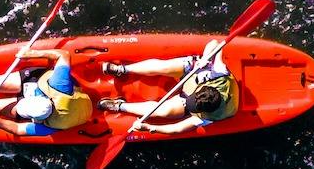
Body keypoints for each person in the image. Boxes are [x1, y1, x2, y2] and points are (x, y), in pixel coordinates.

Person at [99, 38, 239, 134]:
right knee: (163, 67)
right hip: (195, 71)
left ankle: (120, 106)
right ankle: (123, 70)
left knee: (163, 111)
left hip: (195, 85)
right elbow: (216, 43)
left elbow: (178, 129)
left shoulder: (211, 116)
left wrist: (150, 127)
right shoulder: (219, 73)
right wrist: (205, 59)